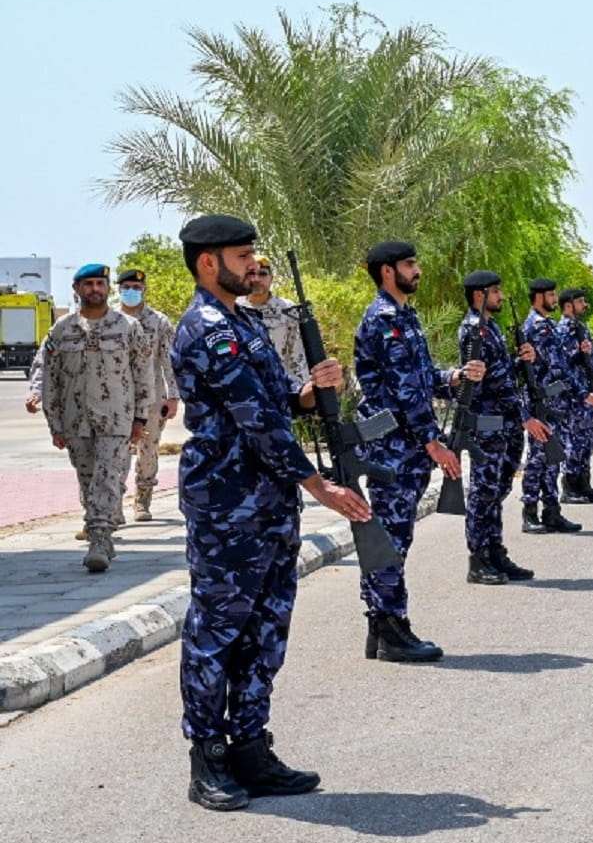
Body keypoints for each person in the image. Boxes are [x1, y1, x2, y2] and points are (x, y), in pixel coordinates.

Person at [170, 214, 370, 811]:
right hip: (228, 506)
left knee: (264, 631)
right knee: (216, 633)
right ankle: (208, 757)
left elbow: (275, 400)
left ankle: (251, 748)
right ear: (209, 262)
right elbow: (256, 423)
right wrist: (319, 485)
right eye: (241, 255)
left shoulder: (244, 322)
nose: (252, 264)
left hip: (268, 504)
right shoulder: (208, 329)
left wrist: (310, 390)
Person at [353, 241, 481, 663]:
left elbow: (422, 378)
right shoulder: (384, 319)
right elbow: (406, 392)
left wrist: (455, 377)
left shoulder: (405, 317)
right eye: (410, 264)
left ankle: (381, 627)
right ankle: (391, 628)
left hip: (405, 446)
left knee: (397, 537)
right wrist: (433, 442)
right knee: (389, 538)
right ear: (387, 271)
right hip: (394, 447)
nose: (418, 270)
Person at [40, 263, 151, 571]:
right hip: (76, 421)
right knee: (88, 479)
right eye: (87, 284)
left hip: (116, 418)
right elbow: (51, 380)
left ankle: (99, 538)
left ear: (108, 289)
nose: (94, 289)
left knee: (107, 477)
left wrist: (141, 417)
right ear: (77, 290)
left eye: (100, 284)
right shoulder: (62, 330)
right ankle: (100, 531)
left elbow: (143, 374)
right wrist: (55, 424)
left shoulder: (127, 327)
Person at [456, 271, 548, 585]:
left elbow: (503, 373)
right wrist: (525, 416)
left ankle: (495, 552)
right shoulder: (474, 331)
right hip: (489, 424)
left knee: (497, 491)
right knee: (483, 494)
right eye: (496, 292)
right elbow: (495, 383)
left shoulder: (490, 327)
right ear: (479, 295)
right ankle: (477, 559)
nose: (501, 296)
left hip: (504, 423)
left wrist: (521, 360)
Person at [519, 278, 588, 531]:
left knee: (552, 459)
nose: (554, 298)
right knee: (537, 459)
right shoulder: (536, 327)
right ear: (539, 297)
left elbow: (563, 365)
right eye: (551, 294)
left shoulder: (547, 325)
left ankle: (551, 511)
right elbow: (558, 366)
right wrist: (581, 393)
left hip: (555, 402)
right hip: (542, 402)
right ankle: (529, 513)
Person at [117, 269, 179, 523]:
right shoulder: (110, 320)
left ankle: (142, 501)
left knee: (148, 449)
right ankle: (113, 505)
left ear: (144, 290)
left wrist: (173, 396)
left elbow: (169, 361)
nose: (131, 291)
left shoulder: (159, 321)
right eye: (126, 287)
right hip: (116, 397)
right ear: (118, 290)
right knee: (115, 451)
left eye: (136, 287)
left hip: (152, 397)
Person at [557, 287, 593, 503]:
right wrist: (578, 353)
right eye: (580, 301)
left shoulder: (581, 327)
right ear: (568, 305)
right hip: (575, 396)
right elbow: (561, 365)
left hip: (589, 393)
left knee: (589, 438)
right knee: (574, 442)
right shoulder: (562, 330)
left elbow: (591, 361)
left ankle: (584, 484)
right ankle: (570, 487)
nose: (585, 305)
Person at [237, 257, 308, 389]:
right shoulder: (233, 309)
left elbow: (298, 354)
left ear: (272, 278)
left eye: (263, 274)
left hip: (280, 387)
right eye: (251, 274)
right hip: (245, 389)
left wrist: (303, 393)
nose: (257, 279)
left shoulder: (287, 309)